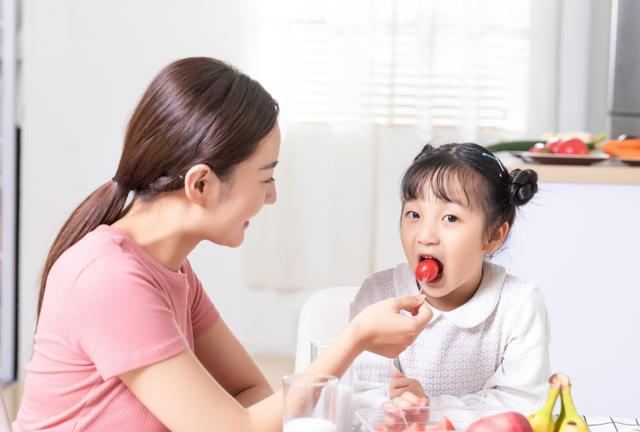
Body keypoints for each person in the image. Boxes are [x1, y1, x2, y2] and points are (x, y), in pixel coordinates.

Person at [13, 57, 432, 432]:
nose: (272, 197)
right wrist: (354, 339)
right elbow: (236, 428)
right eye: (265, 178)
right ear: (201, 184)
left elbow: (249, 391)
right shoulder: (109, 278)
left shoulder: (171, 270)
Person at [349, 143, 550, 413]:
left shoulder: (519, 303)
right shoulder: (379, 293)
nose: (425, 235)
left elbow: (522, 402)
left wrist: (433, 408)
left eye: (450, 218)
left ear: (492, 236)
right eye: (414, 214)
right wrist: (392, 402)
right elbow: (358, 392)